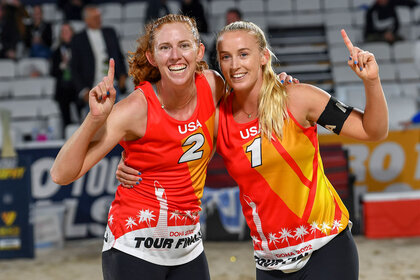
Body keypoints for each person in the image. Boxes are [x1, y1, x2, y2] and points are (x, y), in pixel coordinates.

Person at [116, 22, 389, 279]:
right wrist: (131, 161)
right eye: (226, 57)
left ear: (263, 57)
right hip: (269, 261)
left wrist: (372, 81)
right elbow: (176, 150)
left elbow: (373, 131)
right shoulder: (218, 117)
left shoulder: (298, 98)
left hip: (326, 248)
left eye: (244, 54)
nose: (235, 65)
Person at [51, 14, 225, 280]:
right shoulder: (135, 109)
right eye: (165, 47)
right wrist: (94, 119)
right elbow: (61, 174)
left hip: (187, 248)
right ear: (152, 57)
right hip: (135, 247)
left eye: (184, 45)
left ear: (200, 51)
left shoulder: (214, 85)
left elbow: (236, 122)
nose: (175, 55)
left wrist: (282, 83)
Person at [70, 5, 127, 118]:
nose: (98, 20)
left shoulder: (110, 33)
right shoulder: (78, 39)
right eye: (95, 17)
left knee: (116, 122)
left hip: (113, 86)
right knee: (94, 126)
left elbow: (119, 56)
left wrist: (122, 76)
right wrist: (83, 91)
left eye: (99, 17)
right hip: (92, 89)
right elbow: (74, 68)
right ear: (86, 20)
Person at [51, 22, 79, 137]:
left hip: (77, 87)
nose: (65, 34)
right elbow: (52, 72)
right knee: (65, 118)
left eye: (68, 31)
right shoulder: (57, 51)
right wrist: (61, 66)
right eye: (63, 32)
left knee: (82, 115)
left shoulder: (79, 49)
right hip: (63, 88)